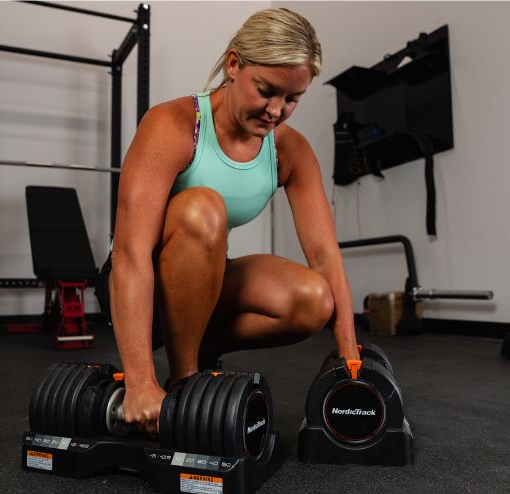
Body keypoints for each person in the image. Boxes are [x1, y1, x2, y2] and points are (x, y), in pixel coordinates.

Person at [95, 7, 359, 435]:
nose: (276, 110)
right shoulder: (176, 124)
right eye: (266, 90)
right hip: (134, 286)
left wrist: (350, 359)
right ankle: (184, 380)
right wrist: (140, 382)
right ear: (234, 65)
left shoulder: (289, 150)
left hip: (203, 285)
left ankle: (198, 349)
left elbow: (325, 254)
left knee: (314, 299)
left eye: (292, 98)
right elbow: (129, 251)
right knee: (202, 208)